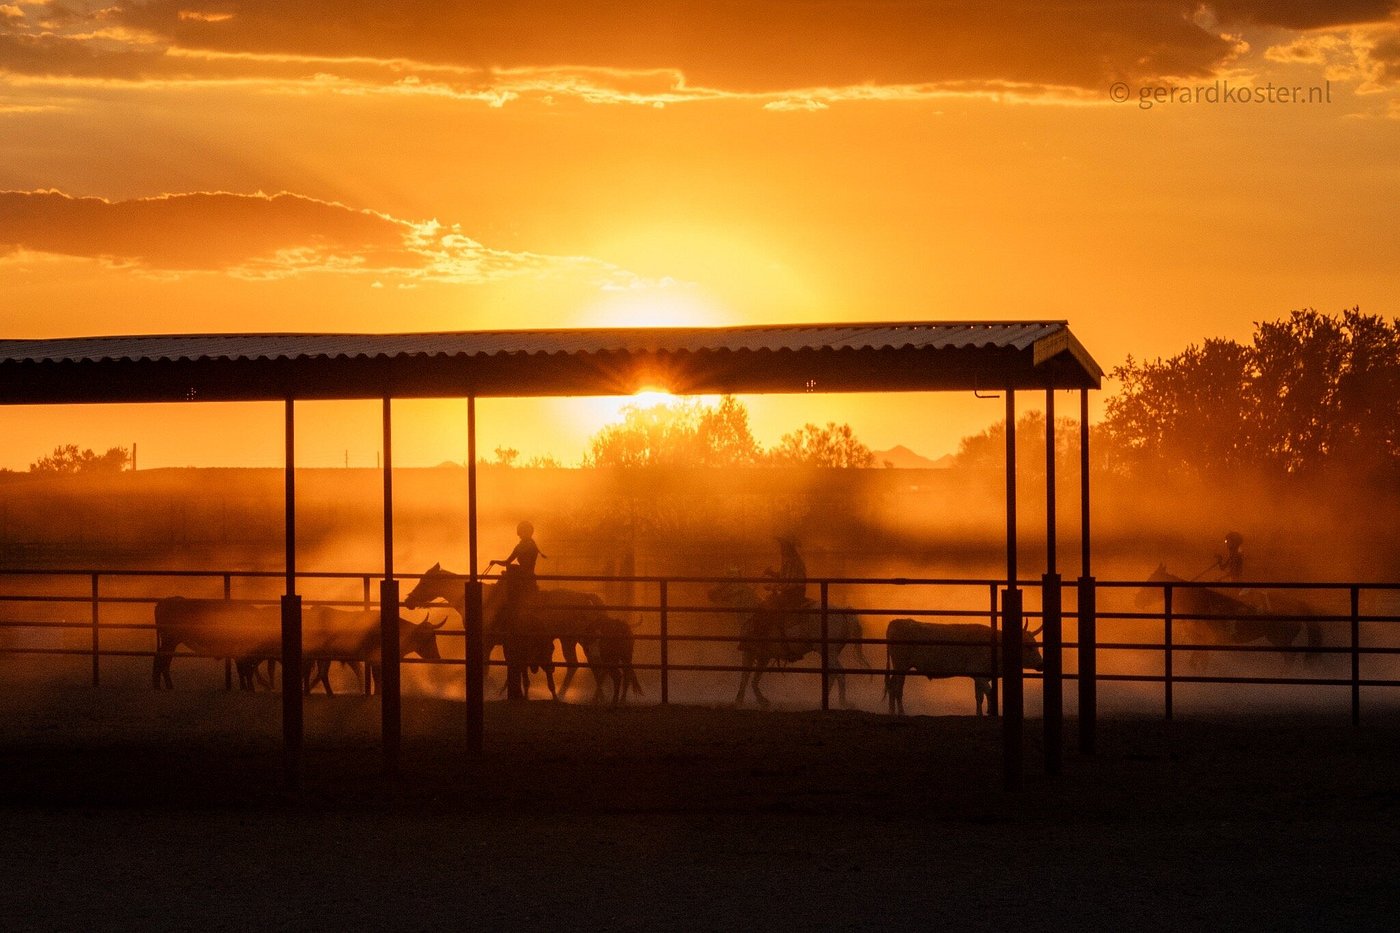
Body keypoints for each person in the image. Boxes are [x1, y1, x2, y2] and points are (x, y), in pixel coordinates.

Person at [487, 520, 547, 626]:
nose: (521, 534)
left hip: (524, 577)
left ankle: (507, 614)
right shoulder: (526, 545)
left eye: (523, 532)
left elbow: (510, 562)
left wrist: (508, 566)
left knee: (505, 586)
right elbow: (508, 562)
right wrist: (496, 562)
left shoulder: (526, 546)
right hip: (525, 576)